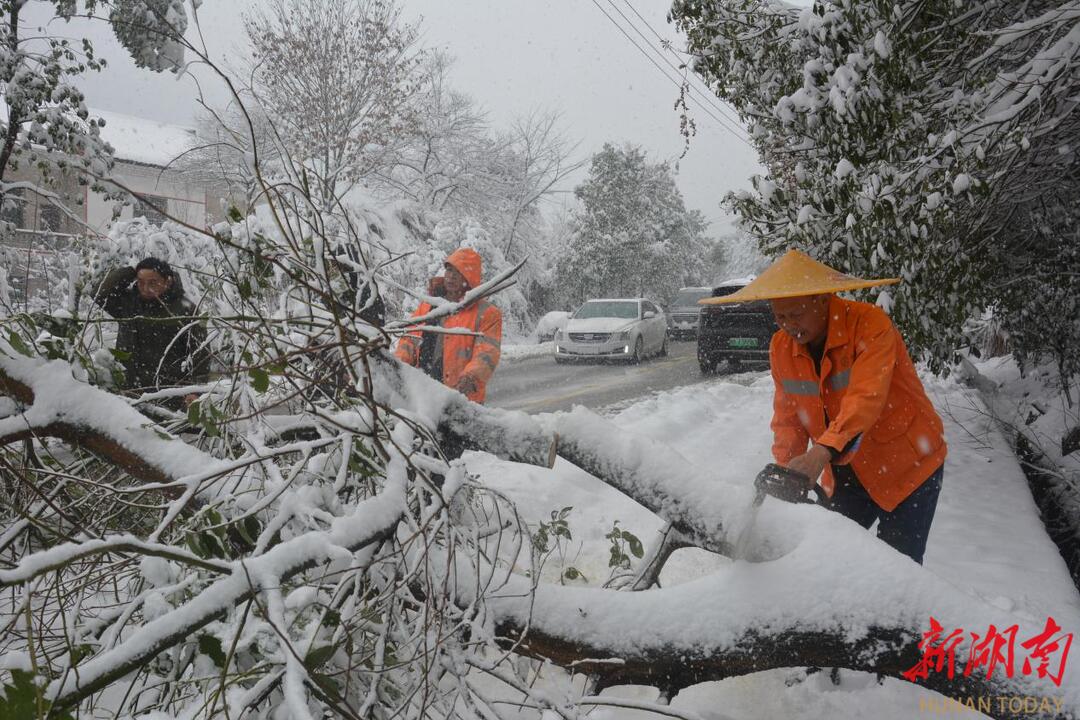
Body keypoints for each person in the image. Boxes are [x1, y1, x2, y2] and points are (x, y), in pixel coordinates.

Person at [702, 249, 947, 564]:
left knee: (897, 568)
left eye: (796, 314)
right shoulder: (782, 347)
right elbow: (789, 419)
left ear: (822, 299)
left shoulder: (870, 325)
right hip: (846, 471)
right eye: (780, 316)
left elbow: (866, 396)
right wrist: (787, 472)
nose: (788, 325)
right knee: (829, 559)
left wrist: (821, 451)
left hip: (908, 465)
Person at [93, 257, 209, 409]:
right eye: (141, 282)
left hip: (168, 394)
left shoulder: (185, 310)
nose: (146, 288)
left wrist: (195, 391)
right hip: (129, 391)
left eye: (152, 282)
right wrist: (131, 271)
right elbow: (99, 294)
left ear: (167, 281)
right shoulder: (128, 303)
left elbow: (201, 354)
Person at [394, 248, 502, 403]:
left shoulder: (487, 313)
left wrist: (470, 378)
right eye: (449, 270)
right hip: (423, 395)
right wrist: (398, 366)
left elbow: (487, 353)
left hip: (462, 400)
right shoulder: (428, 306)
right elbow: (409, 341)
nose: (451, 276)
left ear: (469, 277)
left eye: (458, 272)